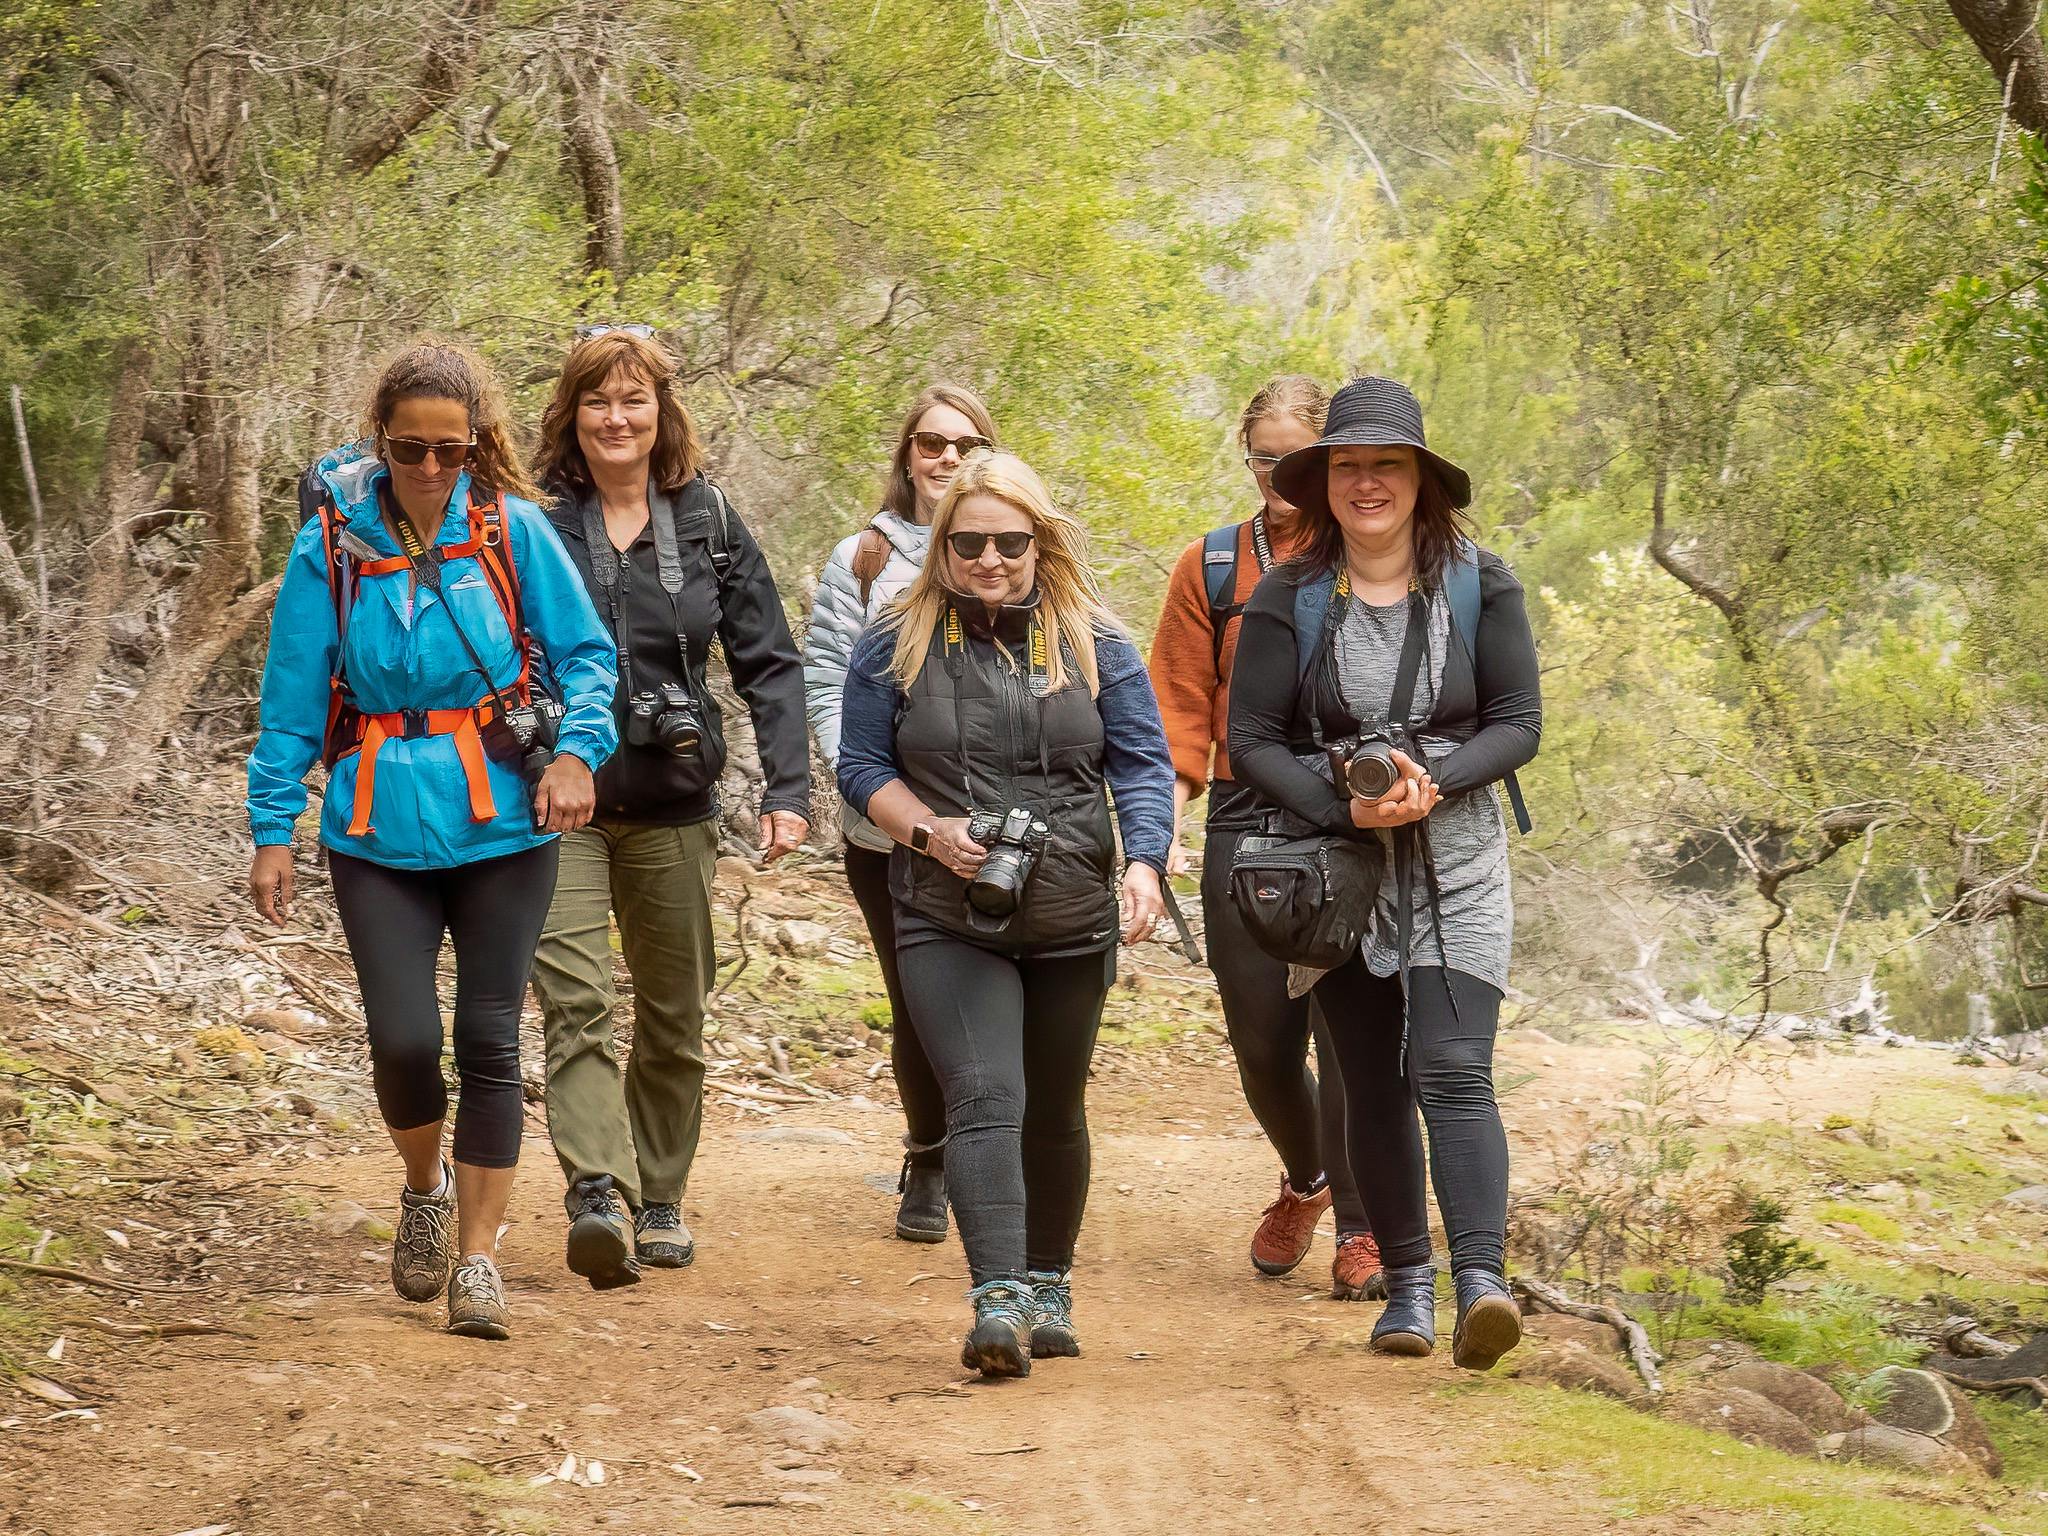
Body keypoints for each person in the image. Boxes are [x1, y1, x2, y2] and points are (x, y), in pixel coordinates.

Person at [246, 341, 619, 1340]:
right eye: (408, 448)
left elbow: (587, 658)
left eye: (447, 451)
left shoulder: (515, 532)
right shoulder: (330, 546)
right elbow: (288, 699)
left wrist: (578, 753)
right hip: (372, 819)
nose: (426, 468)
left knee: (490, 1040)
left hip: (504, 817)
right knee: (405, 1040)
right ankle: (423, 1186)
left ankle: (479, 1262)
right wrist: (272, 828)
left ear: (476, 447)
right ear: (380, 441)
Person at [836, 450, 1175, 1378]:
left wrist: (1144, 863)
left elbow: (1142, 764)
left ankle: (1050, 1282)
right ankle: (995, 1300)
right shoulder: (892, 641)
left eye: (1012, 543)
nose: (992, 560)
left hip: (1070, 907)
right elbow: (861, 768)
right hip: (947, 907)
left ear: (1040, 543)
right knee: (986, 1094)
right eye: (972, 542)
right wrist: (929, 834)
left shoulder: (1094, 642)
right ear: (944, 545)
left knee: (1054, 1108)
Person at [1227, 376, 1540, 1371]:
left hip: (1455, 861)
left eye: (1386, 466)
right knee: (1367, 1083)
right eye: (1348, 467)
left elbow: (1517, 724)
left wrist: (1432, 782)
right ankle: (1405, 1286)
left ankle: (1478, 1285)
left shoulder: (1478, 583)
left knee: (1450, 1068)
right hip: (1337, 871)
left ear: (1419, 480)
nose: (1366, 484)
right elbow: (1250, 741)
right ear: (1322, 483)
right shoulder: (1288, 595)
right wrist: (1343, 804)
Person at [528, 329, 812, 1290]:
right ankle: (597, 1190)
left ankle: (660, 1198)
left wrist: (789, 789)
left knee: (673, 1013)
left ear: (662, 412)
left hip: (674, 802)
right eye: (598, 402)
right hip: (556, 803)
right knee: (574, 1000)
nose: (616, 419)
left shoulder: (709, 520)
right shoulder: (531, 521)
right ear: (571, 414)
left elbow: (768, 661)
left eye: (634, 401)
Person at [1148, 376, 1380, 1299]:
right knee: (1262, 1036)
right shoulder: (1209, 566)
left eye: (1296, 459)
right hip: (1245, 819)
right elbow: (1176, 705)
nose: (1280, 476)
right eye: (1264, 458)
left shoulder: (1368, 557)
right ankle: (1307, 1181)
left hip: (1352, 819)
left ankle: (1362, 1229)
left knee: (1350, 1030)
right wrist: (1158, 823)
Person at [803, 383, 998, 1244]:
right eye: (930, 443)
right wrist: (874, 787)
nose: (946, 458)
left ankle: (991, 1156)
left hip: (998, 826)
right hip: (884, 829)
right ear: (906, 454)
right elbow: (825, 683)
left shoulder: (1010, 545)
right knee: (918, 996)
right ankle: (928, 1154)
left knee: (994, 995)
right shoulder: (865, 558)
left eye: (964, 444)